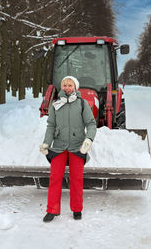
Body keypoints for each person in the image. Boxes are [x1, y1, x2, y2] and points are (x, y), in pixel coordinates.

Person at [39, 76, 96, 222]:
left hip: (78, 147)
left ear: (75, 87)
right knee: (54, 178)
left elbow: (90, 124)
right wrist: (46, 143)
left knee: (76, 179)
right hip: (59, 146)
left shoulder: (82, 104)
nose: (67, 87)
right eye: (64, 85)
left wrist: (88, 140)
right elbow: (51, 126)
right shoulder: (56, 104)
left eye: (70, 85)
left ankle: (77, 209)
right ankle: (52, 210)